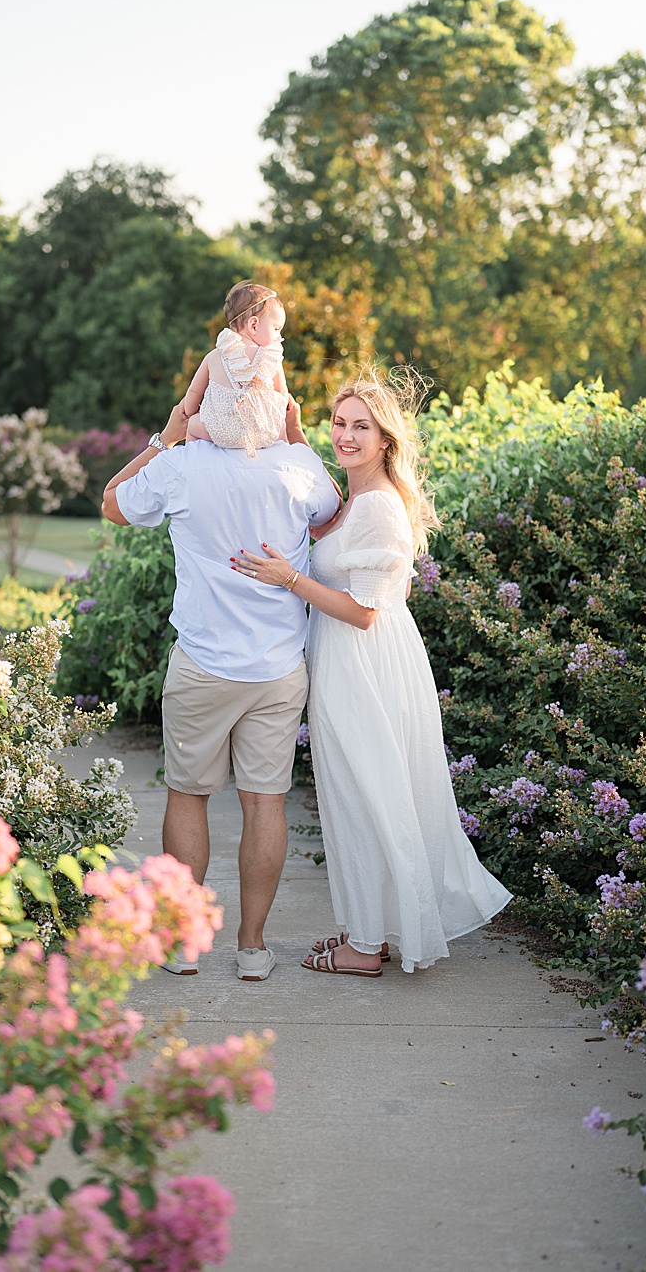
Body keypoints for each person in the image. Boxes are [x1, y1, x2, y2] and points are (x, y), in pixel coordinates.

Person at [228, 370, 510, 974]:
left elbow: (364, 611)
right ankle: (369, 932)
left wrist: (290, 579)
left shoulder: (380, 506)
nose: (348, 435)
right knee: (358, 794)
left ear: (387, 439)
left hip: (366, 666)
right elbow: (332, 529)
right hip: (346, 662)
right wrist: (300, 441)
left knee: (368, 795)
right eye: (341, 422)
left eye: (362, 426)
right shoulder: (360, 494)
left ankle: (365, 946)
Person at [103, 388, 341, 981]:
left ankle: (184, 943)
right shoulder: (297, 464)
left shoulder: (180, 465)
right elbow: (332, 516)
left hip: (203, 665)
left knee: (189, 795)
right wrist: (299, 436)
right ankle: (253, 947)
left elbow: (112, 504)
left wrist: (166, 436)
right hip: (278, 669)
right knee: (266, 804)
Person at [178, 280, 293, 455]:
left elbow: (194, 392)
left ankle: (191, 459)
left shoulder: (215, 356)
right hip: (262, 431)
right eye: (276, 329)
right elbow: (282, 394)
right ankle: (284, 456)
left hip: (222, 431)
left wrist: (189, 411)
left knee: (193, 425)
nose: (279, 336)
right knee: (281, 426)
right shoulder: (271, 358)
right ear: (253, 325)